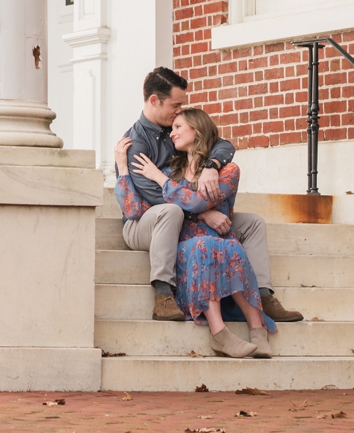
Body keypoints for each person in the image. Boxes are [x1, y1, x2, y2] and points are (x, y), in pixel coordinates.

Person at [114, 67, 302, 324]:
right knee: (171, 210)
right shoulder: (136, 143)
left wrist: (212, 165)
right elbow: (151, 198)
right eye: (176, 105)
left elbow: (224, 144)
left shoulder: (177, 128)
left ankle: (263, 296)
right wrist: (203, 212)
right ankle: (162, 295)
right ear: (155, 100)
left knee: (253, 223)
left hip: (185, 213)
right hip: (149, 220)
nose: (179, 111)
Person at [123, 108, 275, 358]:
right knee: (206, 245)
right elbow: (145, 206)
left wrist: (161, 180)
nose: (172, 133)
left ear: (197, 130)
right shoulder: (173, 170)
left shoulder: (228, 170)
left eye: (178, 127)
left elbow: (195, 203)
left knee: (229, 246)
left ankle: (258, 331)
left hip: (218, 241)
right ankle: (220, 335)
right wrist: (126, 169)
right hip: (186, 245)